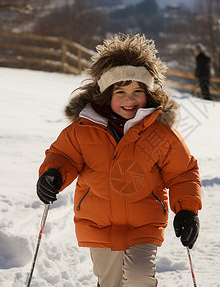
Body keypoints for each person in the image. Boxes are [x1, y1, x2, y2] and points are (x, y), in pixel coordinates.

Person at [36, 33, 202, 287]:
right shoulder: (84, 128)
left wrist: (187, 209)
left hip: (144, 223)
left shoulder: (160, 132)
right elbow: (64, 155)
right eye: (120, 91)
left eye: (137, 91)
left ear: (148, 94)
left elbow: (183, 172)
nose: (129, 99)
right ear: (105, 94)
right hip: (99, 222)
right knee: (110, 282)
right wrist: (53, 174)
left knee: (139, 278)